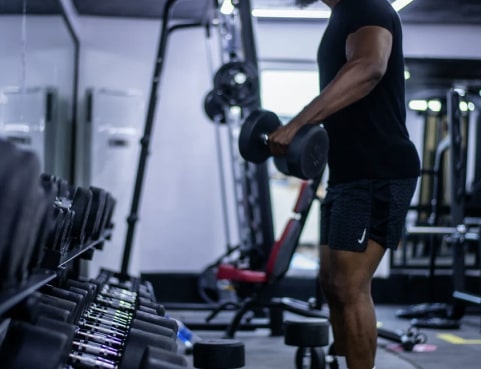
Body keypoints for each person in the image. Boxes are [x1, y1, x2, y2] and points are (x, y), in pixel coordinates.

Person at [267, 1, 421, 368]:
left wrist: (298, 124)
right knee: (332, 283)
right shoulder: (344, 14)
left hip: (379, 171)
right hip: (349, 174)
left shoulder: (367, 6)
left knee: (351, 287)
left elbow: (369, 67)